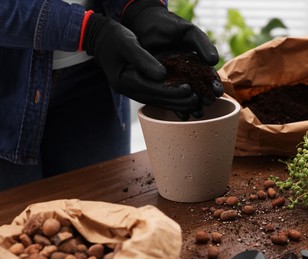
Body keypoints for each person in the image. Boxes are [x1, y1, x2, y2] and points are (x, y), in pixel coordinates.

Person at [0, 0, 223, 191]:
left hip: (94, 76)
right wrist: (88, 31)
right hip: (7, 91)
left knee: (105, 219)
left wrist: (139, 7)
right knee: (17, 229)